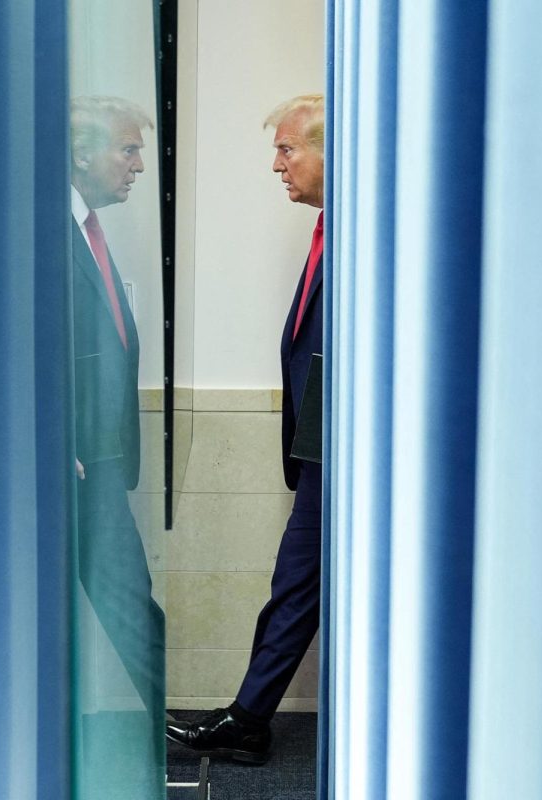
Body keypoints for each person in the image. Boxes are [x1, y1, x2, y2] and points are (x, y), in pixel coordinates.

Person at [166, 94, 326, 765]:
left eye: (287, 149)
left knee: (296, 586)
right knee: (294, 587)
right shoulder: (332, 231)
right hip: (324, 453)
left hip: (349, 456)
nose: (276, 165)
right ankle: (249, 717)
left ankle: (249, 719)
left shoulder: (378, 236)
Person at [70, 95, 166, 790]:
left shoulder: (86, 231)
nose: (139, 164)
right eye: (128, 150)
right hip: (63, 465)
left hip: (96, 463)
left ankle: (155, 740)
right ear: (82, 153)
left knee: (130, 601)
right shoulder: (38, 231)